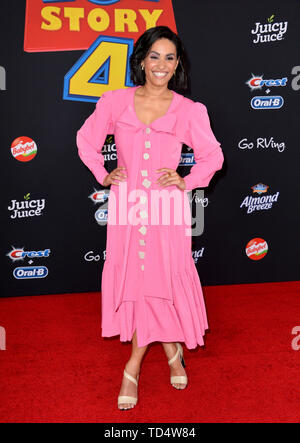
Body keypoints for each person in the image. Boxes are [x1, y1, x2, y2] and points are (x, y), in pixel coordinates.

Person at [76, 26, 224, 410]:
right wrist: (103, 173)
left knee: (160, 278)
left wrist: (187, 180)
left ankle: (132, 366)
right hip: (127, 206)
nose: (161, 65)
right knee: (138, 280)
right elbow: (86, 140)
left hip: (165, 207)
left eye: (169, 58)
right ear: (141, 59)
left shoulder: (189, 110)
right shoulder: (113, 102)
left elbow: (213, 156)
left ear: (177, 66)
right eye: (154, 56)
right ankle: (172, 349)